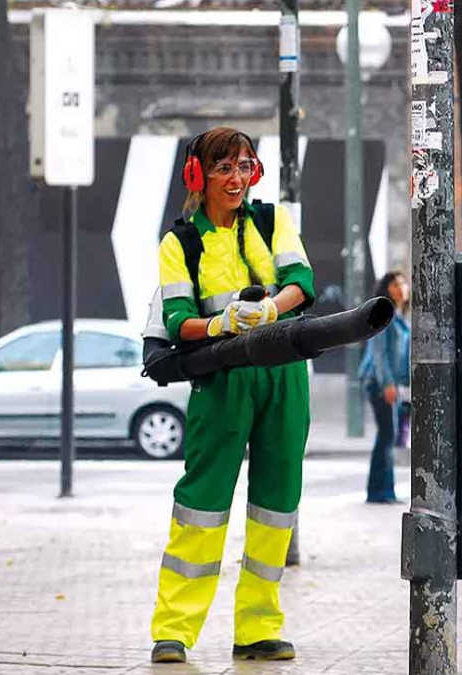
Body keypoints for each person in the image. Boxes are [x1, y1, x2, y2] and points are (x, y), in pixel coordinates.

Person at [150, 127, 315, 663]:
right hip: (222, 376)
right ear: (199, 175)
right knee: (202, 501)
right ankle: (173, 630)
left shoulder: (272, 221)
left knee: (276, 503)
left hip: (284, 371)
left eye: (245, 167)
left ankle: (258, 627)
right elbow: (177, 322)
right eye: (224, 168)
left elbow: (301, 280)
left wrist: (271, 309)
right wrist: (220, 322)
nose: (237, 178)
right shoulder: (180, 243)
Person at [358, 271, 411, 504]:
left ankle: (381, 490)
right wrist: (387, 383)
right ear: (386, 288)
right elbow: (379, 353)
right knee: (387, 435)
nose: (402, 288)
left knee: (387, 436)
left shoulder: (400, 317)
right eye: (396, 283)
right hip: (378, 382)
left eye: (403, 283)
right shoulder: (384, 313)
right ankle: (381, 491)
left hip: (391, 384)